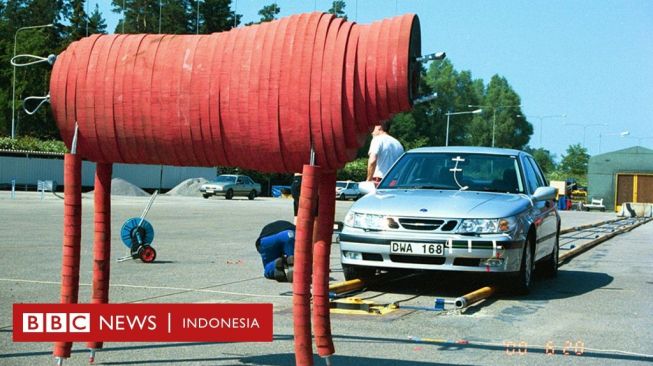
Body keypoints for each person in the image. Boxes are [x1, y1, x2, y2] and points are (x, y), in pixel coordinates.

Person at [367, 120, 404, 186]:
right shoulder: (398, 143)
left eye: (373, 126)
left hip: (380, 182)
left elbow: (372, 161)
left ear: (379, 126)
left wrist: (368, 180)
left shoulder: (377, 139)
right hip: (396, 183)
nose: (371, 129)